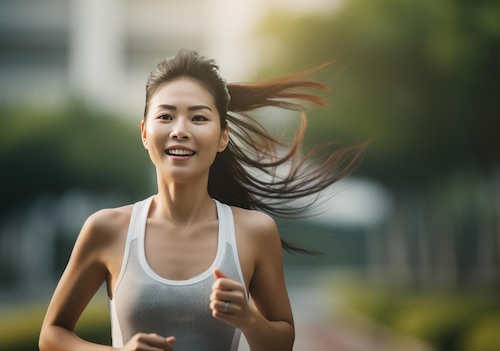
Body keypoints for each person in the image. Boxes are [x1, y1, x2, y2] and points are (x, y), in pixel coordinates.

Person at [38, 49, 363, 351]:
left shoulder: (255, 231)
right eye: (165, 116)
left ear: (223, 136)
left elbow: (283, 343)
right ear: (144, 132)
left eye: (198, 118)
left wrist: (248, 319)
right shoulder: (106, 229)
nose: (180, 130)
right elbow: (51, 335)